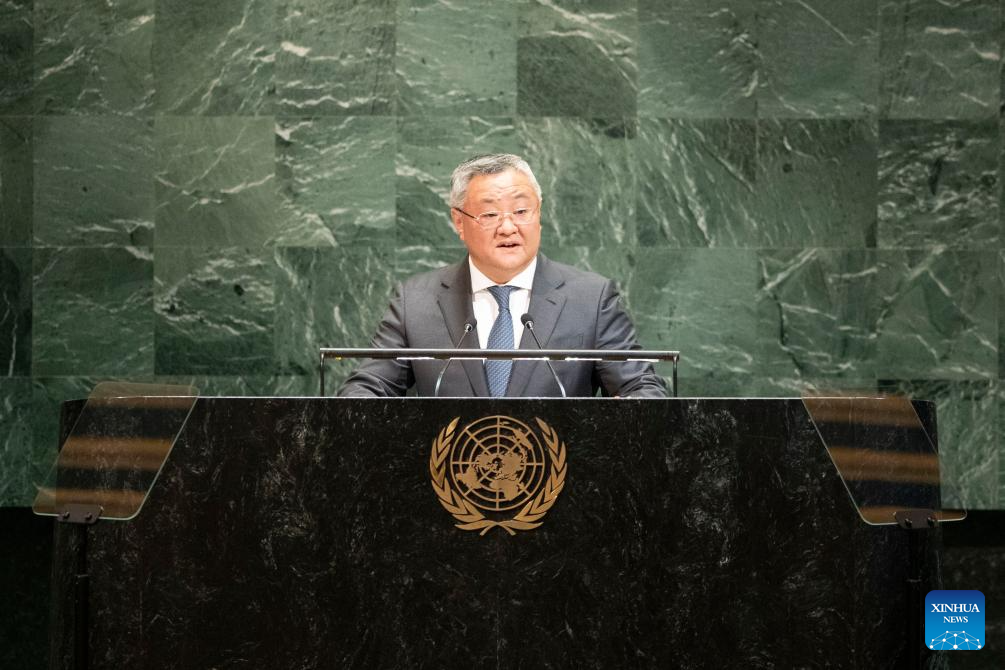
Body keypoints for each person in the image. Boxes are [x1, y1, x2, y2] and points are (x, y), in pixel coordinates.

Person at [338, 153, 666, 398]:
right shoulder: (416, 302)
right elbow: (369, 387)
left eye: (521, 211)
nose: (508, 227)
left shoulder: (591, 299)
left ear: (538, 214)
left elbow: (640, 386)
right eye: (491, 214)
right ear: (459, 222)